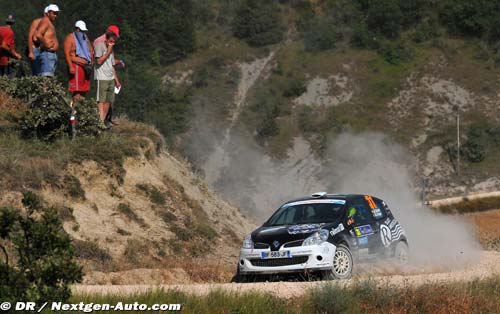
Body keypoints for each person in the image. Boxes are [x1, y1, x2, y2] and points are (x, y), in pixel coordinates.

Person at [94, 25, 121, 125]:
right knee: (101, 100)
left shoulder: (111, 45)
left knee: (108, 101)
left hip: (110, 77)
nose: (114, 40)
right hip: (101, 76)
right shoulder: (99, 43)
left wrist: (116, 80)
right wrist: (108, 50)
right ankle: (99, 122)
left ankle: (103, 121)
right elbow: (98, 61)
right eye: (113, 37)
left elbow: (112, 64)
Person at [63, 20, 94, 100]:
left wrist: (91, 62)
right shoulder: (70, 38)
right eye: (80, 30)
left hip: (86, 67)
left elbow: (90, 50)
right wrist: (70, 66)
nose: (81, 32)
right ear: (76, 29)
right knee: (77, 90)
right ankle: (75, 109)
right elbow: (67, 53)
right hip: (76, 65)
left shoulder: (85, 38)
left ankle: (81, 109)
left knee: (84, 90)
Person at [34, 4, 60, 77]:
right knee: (46, 79)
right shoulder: (46, 21)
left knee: (49, 79)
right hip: (47, 54)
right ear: (48, 13)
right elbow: (38, 35)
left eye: (56, 14)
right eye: (53, 13)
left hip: (50, 54)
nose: (55, 16)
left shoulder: (49, 23)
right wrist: (46, 44)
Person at [27, 6, 49, 75]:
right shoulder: (36, 22)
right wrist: (31, 52)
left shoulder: (49, 24)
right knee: (36, 73)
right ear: (45, 14)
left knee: (44, 73)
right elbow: (30, 36)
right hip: (36, 49)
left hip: (44, 51)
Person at [0, 12, 22, 78]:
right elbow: (4, 45)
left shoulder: (0, 29)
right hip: (5, 62)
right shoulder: (9, 32)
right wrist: (15, 54)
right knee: (9, 81)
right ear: (14, 21)